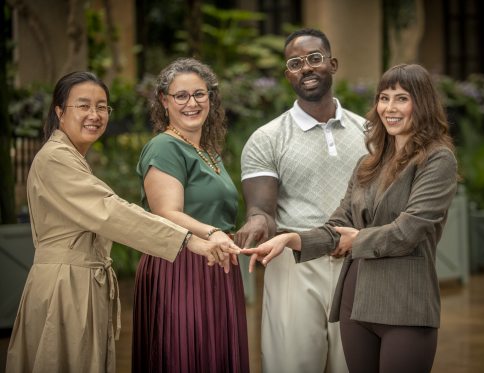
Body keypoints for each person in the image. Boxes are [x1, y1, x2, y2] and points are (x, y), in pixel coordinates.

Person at [5, 71, 239, 373]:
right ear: (60, 112)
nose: (94, 114)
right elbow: (111, 212)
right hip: (64, 288)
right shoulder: (54, 158)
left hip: (81, 281)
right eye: (84, 106)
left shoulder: (71, 157)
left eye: (102, 106)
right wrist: (190, 240)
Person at [242, 63, 458, 373]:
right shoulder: (367, 165)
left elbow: (410, 229)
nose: (389, 108)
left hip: (405, 303)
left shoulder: (438, 159)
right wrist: (292, 239)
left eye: (401, 98)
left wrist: (357, 240)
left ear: (421, 104)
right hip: (356, 302)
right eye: (383, 98)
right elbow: (337, 227)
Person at [234, 28, 366, 373]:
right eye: (295, 63)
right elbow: (261, 208)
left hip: (358, 263)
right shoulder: (267, 138)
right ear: (286, 75)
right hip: (294, 264)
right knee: (290, 365)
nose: (305, 67)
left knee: (353, 363)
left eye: (314, 58)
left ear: (332, 64)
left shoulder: (370, 133)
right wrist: (257, 223)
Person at [132, 57, 249, 373]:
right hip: (180, 265)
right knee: (186, 356)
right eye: (180, 95)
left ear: (211, 97)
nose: (192, 103)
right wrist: (212, 233)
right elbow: (167, 213)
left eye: (200, 94)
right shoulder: (164, 147)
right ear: (164, 101)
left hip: (216, 266)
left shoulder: (207, 150)